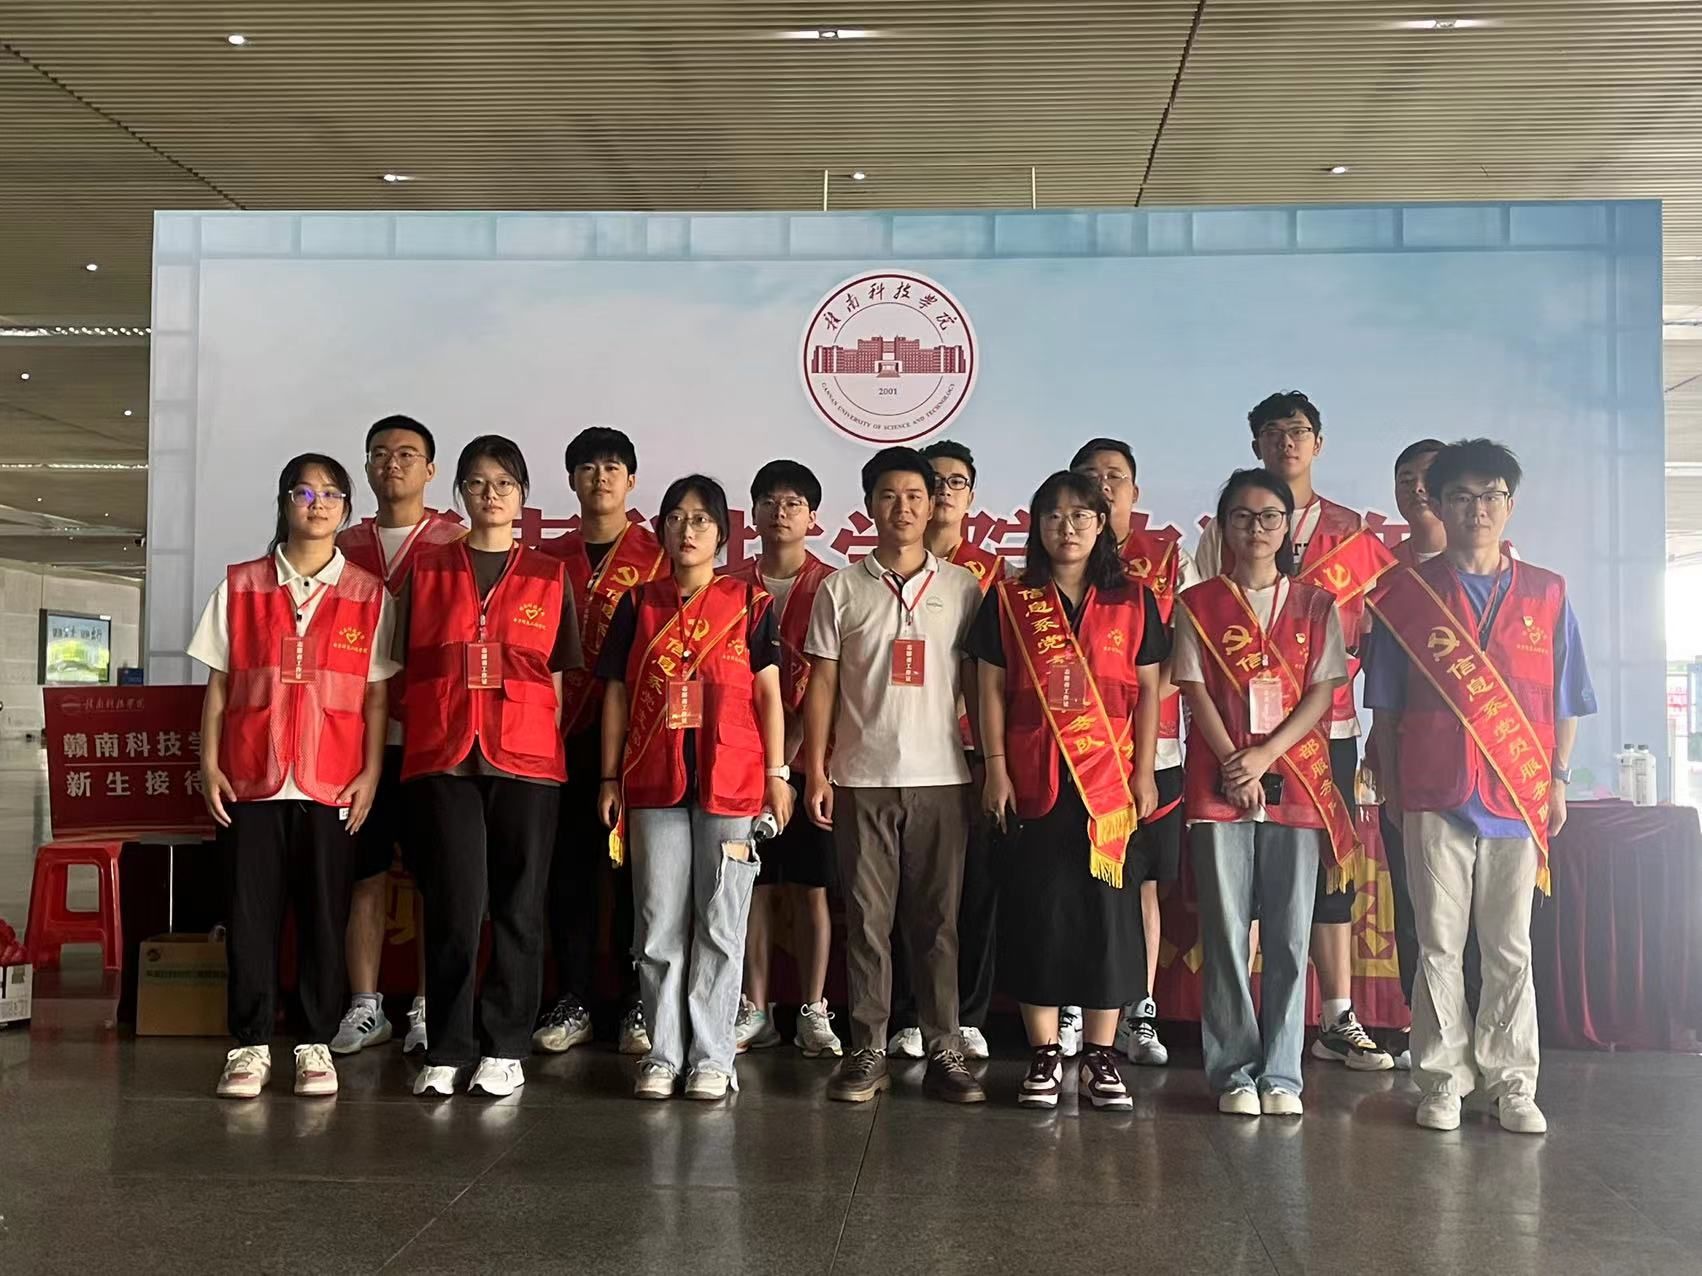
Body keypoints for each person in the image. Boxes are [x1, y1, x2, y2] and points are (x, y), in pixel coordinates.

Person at [1364, 439, 1595, 1135]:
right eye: (1461, 497)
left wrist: (1557, 781)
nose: (1477, 510)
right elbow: (1386, 710)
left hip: (1517, 793)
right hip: (1434, 789)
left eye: (1490, 496)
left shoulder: (1546, 593)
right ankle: (1442, 1080)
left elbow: (1565, 699)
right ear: (1437, 505)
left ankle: (1512, 1082)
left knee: (1509, 946)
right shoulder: (1405, 596)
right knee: (1437, 943)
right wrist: (1394, 789)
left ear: (1509, 505)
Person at [1195, 391, 1394, 1071]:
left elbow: (1370, 629)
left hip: (1323, 725)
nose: (1287, 442)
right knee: (1239, 890)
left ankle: (1336, 1017)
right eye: (1274, 432)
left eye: (1300, 431)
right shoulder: (1223, 527)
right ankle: (1240, 1043)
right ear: (1255, 443)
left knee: (1325, 873)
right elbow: (1206, 622)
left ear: (1319, 443)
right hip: (1235, 734)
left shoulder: (1351, 533)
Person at [190, 453, 396, 1100]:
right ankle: (249, 1047)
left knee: (325, 918)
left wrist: (370, 774)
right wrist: (208, 764)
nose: (317, 504)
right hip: (250, 779)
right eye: (304, 492)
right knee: (249, 917)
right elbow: (219, 688)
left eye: (331, 493)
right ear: (284, 503)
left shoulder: (368, 594)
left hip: (332, 782)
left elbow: (376, 698)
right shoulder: (241, 586)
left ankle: (314, 1044)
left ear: (346, 508)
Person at [976, 471, 1165, 1109]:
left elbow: (1148, 692)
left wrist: (1143, 772)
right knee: (1040, 911)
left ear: (1102, 523)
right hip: (1033, 779)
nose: (1067, 527)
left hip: (1108, 786)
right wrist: (996, 767)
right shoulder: (1011, 600)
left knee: (1108, 916)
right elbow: (989, 689)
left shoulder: (1133, 600)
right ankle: (1045, 1052)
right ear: (1036, 526)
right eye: (1053, 515)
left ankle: (1102, 1056)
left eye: (1081, 515)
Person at [399, 436, 581, 1098]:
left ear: (523, 495)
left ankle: (506, 1046)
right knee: (454, 904)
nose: (490, 494)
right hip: (444, 754)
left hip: (527, 760)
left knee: (518, 906)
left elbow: (557, 676)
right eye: (477, 483)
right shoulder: (427, 570)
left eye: (504, 483)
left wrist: (539, 740)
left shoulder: (549, 575)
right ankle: (448, 1047)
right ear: (461, 493)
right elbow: (405, 665)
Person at [597, 475, 790, 1100]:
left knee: (720, 924)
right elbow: (617, 694)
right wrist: (609, 776)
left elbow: (768, 693)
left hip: (731, 783)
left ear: (723, 534)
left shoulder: (748, 603)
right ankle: (663, 1054)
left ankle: (712, 1057)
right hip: (652, 782)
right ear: (661, 528)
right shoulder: (638, 604)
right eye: (676, 517)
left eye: (702, 519)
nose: (688, 529)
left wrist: (777, 775)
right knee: (657, 926)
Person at [803, 446, 986, 1104]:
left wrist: (987, 763)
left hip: (942, 778)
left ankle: (944, 1049)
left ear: (933, 504)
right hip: (861, 777)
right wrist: (816, 768)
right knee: (867, 921)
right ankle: (868, 1049)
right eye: (889, 495)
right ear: (869, 505)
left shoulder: (962, 588)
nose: (903, 507)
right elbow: (823, 683)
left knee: (938, 924)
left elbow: (976, 684)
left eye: (915, 495)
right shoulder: (841, 588)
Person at [1174, 468, 1354, 1117]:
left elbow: (1322, 693)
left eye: (1270, 517)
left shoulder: (1316, 605)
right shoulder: (1197, 605)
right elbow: (1193, 690)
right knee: (1226, 933)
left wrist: (1264, 756)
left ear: (1286, 528)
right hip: (1218, 780)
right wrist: (1235, 761)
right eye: (1243, 517)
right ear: (1224, 527)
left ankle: (1281, 1071)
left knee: (1288, 933)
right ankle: (1232, 1072)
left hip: (1296, 780)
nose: (1257, 528)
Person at [330, 414, 466, 1059]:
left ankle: (426, 1006)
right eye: (380, 453)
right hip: (352, 738)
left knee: (438, 875)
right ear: (366, 466)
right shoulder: (340, 544)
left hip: (430, 734)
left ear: (431, 470)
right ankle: (365, 1004)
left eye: (408, 454)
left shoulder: (456, 542)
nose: (393, 464)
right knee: (365, 871)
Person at [535, 426, 666, 1058]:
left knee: (640, 875)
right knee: (570, 873)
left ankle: (639, 999)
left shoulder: (659, 557)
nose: (600, 477)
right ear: (571, 480)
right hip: (557, 738)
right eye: (587, 467)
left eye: (613, 467)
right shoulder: (544, 559)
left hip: (638, 739)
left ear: (632, 480)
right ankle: (575, 996)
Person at [1071, 437, 1197, 1067]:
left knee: (1141, 882)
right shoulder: (1055, 561)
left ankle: (1137, 1012)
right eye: (1090, 476)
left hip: (1151, 751)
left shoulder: (1169, 559)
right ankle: (1073, 1004)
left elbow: (1188, 650)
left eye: (1115, 476)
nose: (1104, 485)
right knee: (1075, 880)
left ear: (1134, 492)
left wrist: (1131, 711)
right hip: (1069, 755)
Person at [882, 439, 1004, 1062]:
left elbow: (996, 672)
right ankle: (909, 1012)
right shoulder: (886, 569)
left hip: (972, 752)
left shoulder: (992, 576)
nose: (944, 492)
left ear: (970, 496)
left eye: (957, 482)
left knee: (971, 890)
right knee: (903, 892)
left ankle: (968, 1014)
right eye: (935, 481)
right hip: (903, 749)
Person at [726, 461, 843, 1060]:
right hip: (741, 762)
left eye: (794, 503)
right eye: (769, 501)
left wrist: (799, 756)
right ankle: (755, 1007)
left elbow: (841, 680)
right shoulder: (728, 586)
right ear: (752, 513)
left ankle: (814, 1008)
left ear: (813, 517)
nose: (780, 512)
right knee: (754, 887)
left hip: (813, 763)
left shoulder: (834, 585)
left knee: (810, 887)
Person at [1364, 439, 1448, 1070]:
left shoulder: (1504, 572)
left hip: (1485, 772)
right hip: (1408, 764)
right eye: (1405, 478)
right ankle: (1430, 1035)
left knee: (1488, 926)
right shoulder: (1387, 577)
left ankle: (1491, 1044)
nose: (1416, 488)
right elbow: (1382, 685)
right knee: (1416, 907)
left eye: (1428, 477)